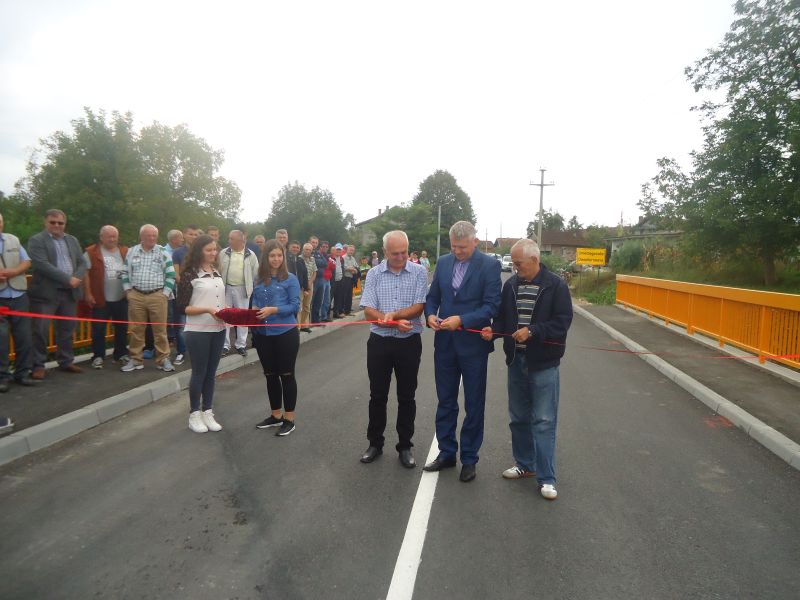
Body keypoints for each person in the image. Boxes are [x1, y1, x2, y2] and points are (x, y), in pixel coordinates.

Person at [481, 239, 572, 500]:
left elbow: (562, 322)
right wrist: (493, 331)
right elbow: (502, 319)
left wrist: (533, 331)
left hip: (543, 364)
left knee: (543, 421)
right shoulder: (511, 285)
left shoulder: (556, 286)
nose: (515, 267)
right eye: (513, 263)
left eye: (518, 263)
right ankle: (525, 464)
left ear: (534, 260)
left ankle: (547, 478)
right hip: (515, 361)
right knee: (518, 417)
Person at [423, 221, 501, 482]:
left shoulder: (489, 266)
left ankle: (469, 458)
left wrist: (462, 320)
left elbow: (491, 306)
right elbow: (433, 296)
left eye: (463, 247)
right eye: (454, 247)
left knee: (474, 403)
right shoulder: (444, 262)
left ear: (475, 242)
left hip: (473, 345)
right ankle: (446, 452)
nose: (457, 252)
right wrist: (430, 315)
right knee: (445, 400)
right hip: (445, 343)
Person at [359, 231, 428, 468]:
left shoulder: (419, 272)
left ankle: (405, 445)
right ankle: (375, 443)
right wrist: (391, 323)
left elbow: (419, 307)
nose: (400, 257)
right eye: (395, 253)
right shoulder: (374, 274)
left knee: (407, 396)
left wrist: (394, 316)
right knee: (377, 395)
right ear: (384, 251)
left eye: (404, 253)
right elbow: (368, 310)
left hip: (408, 342)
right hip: (379, 342)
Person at [28, 209, 87, 378]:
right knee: (40, 330)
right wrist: (68, 279)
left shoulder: (72, 240)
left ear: (65, 224)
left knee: (67, 328)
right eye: (52, 222)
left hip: (69, 293)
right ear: (45, 222)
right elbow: (41, 265)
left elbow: (82, 262)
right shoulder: (37, 240)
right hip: (46, 293)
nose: (56, 225)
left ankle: (66, 361)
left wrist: (76, 277)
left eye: (60, 223)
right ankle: (38, 365)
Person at [176, 234, 226, 433]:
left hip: (218, 329)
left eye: (215, 249)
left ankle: (208, 411)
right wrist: (207, 310)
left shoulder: (216, 271)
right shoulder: (189, 274)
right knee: (199, 373)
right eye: (209, 250)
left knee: (211, 373)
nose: (213, 253)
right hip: (198, 331)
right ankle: (194, 415)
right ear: (199, 251)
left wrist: (227, 312)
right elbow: (182, 307)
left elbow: (219, 301)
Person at [252, 240, 301, 437]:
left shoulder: (291, 279)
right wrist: (254, 309)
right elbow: (256, 301)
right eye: (272, 255)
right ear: (266, 257)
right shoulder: (259, 279)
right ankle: (275, 415)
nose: (276, 259)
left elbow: (294, 306)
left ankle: (289, 419)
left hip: (285, 334)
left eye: (279, 255)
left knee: (286, 375)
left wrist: (274, 310)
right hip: (263, 335)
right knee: (270, 375)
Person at [120, 224, 176, 373]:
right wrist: (128, 291)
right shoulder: (132, 251)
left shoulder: (163, 252)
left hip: (157, 295)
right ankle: (135, 359)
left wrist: (165, 293)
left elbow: (171, 275)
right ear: (141, 237)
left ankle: (163, 359)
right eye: (148, 235)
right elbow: (124, 273)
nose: (151, 238)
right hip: (136, 295)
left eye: (154, 236)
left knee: (160, 330)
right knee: (136, 330)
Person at [83, 225, 129, 369]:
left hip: (121, 297)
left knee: (122, 327)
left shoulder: (125, 251)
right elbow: (85, 274)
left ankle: (121, 354)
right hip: (100, 298)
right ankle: (98, 356)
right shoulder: (91, 252)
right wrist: (88, 293)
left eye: (115, 236)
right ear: (101, 237)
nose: (112, 239)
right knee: (98, 329)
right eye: (109, 236)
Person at [0, 212, 37, 391]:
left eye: (0, 222)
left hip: (19, 295)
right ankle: (3, 377)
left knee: (24, 337)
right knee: (1, 340)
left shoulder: (13, 239)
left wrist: (14, 272)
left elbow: (27, 261)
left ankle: (22, 373)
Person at [219, 230, 259, 356]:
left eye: (231, 238)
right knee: (225, 316)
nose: (229, 241)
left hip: (243, 289)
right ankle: (225, 345)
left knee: (242, 318)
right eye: (229, 238)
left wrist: (254, 290)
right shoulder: (223, 253)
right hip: (225, 288)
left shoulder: (250, 255)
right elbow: (218, 269)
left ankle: (241, 345)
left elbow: (256, 274)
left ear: (240, 241)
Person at [170, 225, 201, 365]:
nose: (193, 236)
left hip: (200, 294)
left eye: (196, 234)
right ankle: (181, 352)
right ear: (184, 235)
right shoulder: (177, 252)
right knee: (181, 325)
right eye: (190, 234)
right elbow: (176, 274)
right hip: (183, 294)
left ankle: (197, 351)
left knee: (198, 324)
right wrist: (187, 286)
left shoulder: (201, 251)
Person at [286, 240, 309, 327]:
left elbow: (305, 274)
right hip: (287, 288)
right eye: (293, 247)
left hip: (298, 288)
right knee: (289, 308)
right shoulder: (285, 258)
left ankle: (296, 327)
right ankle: (290, 326)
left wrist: (306, 288)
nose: (295, 249)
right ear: (289, 247)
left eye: (297, 247)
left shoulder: (300, 260)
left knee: (297, 308)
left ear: (299, 249)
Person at [310, 237, 329, 324]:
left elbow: (325, 263)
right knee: (311, 301)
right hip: (313, 279)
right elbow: (313, 262)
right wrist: (319, 262)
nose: (314, 244)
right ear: (309, 242)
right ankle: (308, 320)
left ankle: (316, 320)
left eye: (316, 243)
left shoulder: (318, 253)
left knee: (318, 301)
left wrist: (317, 261)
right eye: (313, 242)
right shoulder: (308, 251)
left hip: (321, 279)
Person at [299, 242, 317, 332]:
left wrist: (309, 283)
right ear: (303, 249)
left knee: (306, 305)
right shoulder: (299, 259)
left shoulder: (312, 259)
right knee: (299, 306)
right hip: (300, 285)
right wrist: (305, 284)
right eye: (306, 249)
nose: (308, 251)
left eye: (310, 250)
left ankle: (304, 325)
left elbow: (314, 272)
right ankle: (297, 327)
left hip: (310, 284)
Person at [342, 244, 359, 315]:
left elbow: (356, 266)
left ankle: (348, 311)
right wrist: (353, 269)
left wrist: (353, 269)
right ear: (347, 250)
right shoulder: (343, 257)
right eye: (350, 250)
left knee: (349, 295)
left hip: (351, 278)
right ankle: (342, 311)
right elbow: (344, 267)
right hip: (345, 278)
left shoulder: (353, 258)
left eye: (352, 250)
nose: (351, 252)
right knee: (344, 294)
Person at [331, 243, 345, 318]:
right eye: (337, 250)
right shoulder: (331, 258)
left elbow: (343, 269)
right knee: (329, 298)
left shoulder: (342, 259)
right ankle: (326, 315)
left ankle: (336, 313)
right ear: (334, 250)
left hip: (340, 280)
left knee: (338, 298)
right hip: (332, 281)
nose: (338, 251)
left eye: (340, 250)